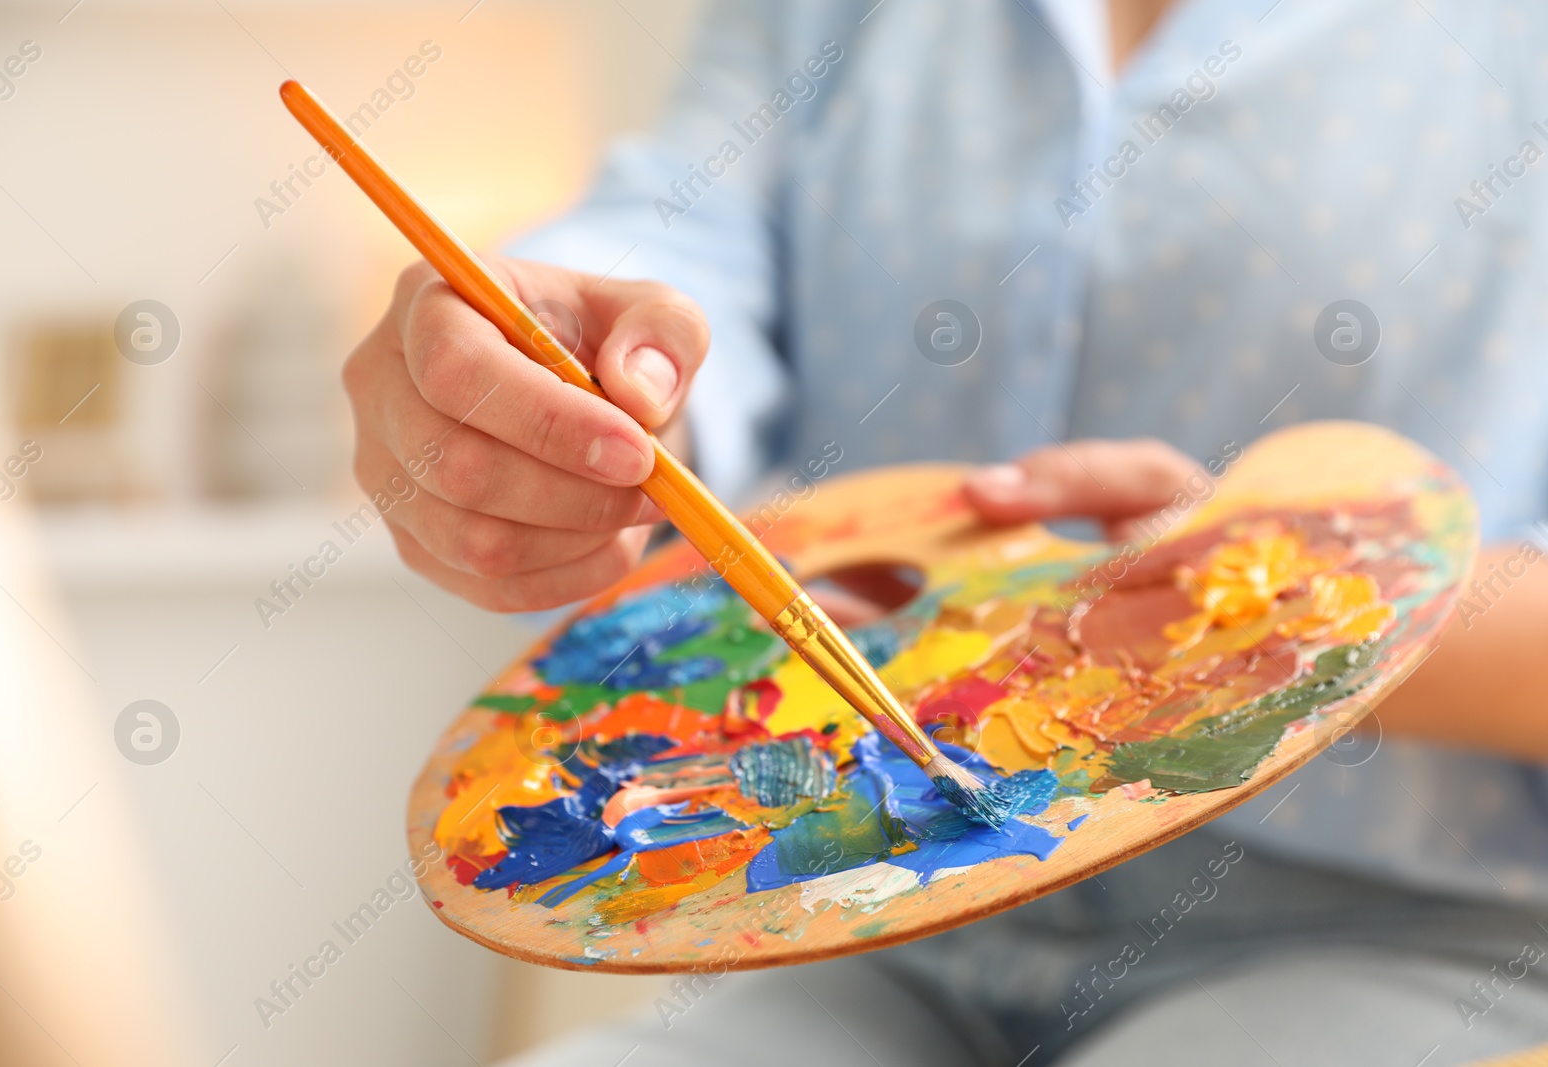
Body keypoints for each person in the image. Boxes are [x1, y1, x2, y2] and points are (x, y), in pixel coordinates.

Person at [343, 1, 1548, 1062]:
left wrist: (1255, 600)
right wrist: (573, 376)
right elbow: (685, 225)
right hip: (862, 903)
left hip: (1402, 928)